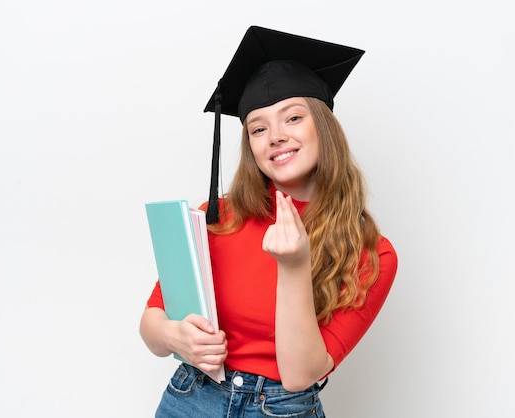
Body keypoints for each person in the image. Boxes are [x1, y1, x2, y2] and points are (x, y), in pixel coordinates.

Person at [139, 26, 398, 417]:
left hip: (281, 408)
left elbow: (299, 375)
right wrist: (174, 335)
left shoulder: (370, 252)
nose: (275, 136)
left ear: (324, 128)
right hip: (192, 398)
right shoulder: (216, 217)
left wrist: (294, 265)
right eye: (258, 128)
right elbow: (153, 320)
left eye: (292, 118)